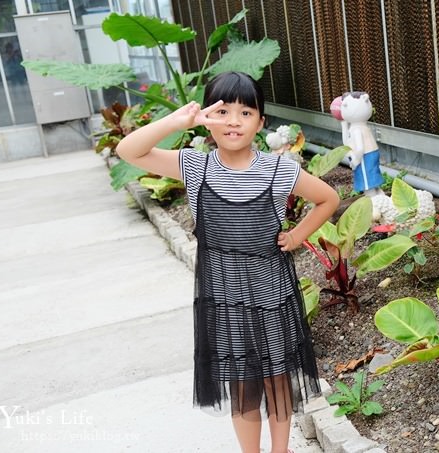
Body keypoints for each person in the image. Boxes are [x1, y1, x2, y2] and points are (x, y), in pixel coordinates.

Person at [117, 71, 340, 453]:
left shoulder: (279, 169)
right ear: (207, 117)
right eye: (222, 111)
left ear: (261, 122)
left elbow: (329, 198)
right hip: (224, 301)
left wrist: (297, 235)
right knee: (242, 382)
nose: (233, 121)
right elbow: (129, 151)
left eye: (245, 112)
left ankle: (280, 450)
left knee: (276, 377)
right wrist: (177, 121)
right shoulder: (195, 167)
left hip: (272, 295)